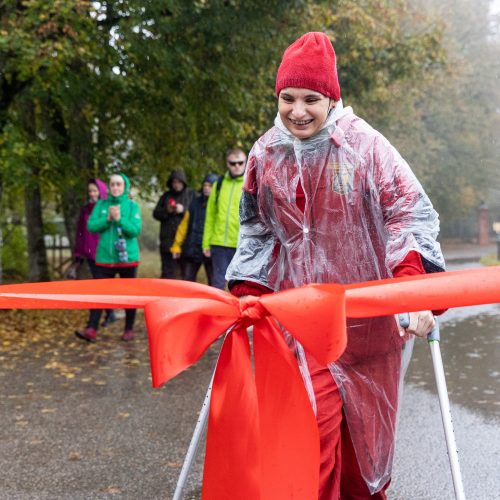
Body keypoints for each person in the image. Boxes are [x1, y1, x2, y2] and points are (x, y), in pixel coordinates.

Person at [226, 32, 445, 499]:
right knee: (311, 437)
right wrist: (249, 290)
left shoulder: (365, 147)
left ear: (332, 98)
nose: (298, 110)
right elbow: (257, 229)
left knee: (363, 455)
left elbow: (410, 212)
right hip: (302, 329)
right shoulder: (265, 154)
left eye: (311, 98)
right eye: (288, 98)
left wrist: (413, 288)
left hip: (369, 328)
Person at [75, 173, 142, 343]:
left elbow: (135, 230)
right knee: (99, 294)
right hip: (104, 258)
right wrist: (107, 219)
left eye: (119, 184)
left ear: (125, 186)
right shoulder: (101, 205)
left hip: (128, 259)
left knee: (129, 296)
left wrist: (119, 220)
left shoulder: (132, 206)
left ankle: (128, 329)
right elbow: (91, 226)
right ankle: (91, 328)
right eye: (112, 184)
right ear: (109, 187)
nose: (116, 187)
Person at [71, 179, 115, 329]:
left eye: (95, 191)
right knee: (98, 285)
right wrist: (78, 253)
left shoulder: (107, 208)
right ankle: (108, 313)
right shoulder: (85, 210)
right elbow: (81, 232)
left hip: (103, 252)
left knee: (100, 285)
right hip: (89, 252)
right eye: (90, 191)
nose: (92, 194)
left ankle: (101, 318)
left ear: (101, 191)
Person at [202, 149, 246, 289]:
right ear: (227, 164)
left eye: (240, 163)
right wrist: (206, 243)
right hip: (218, 243)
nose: (237, 166)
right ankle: (218, 312)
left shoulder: (250, 183)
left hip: (241, 244)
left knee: (239, 286)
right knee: (217, 284)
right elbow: (210, 215)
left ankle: (238, 312)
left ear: (245, 163)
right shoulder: (219, 184)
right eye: (233, 163)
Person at [170, 174, 218, 285]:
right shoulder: (194, 203)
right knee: (188, 283)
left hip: (211, 251)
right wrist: (176, 245)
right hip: (192, 249)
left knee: (215, 285)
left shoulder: (220, 204)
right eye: (205, 185)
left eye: (210, 186)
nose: (206, 188)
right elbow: (183, 226)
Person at [153, 170, 194, 279]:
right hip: (167, 242)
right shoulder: (165, 196)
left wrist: (183, 210)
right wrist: (167, 211)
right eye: (174, 182)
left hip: (185, 243)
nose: (176, 185)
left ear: (183, 182)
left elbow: (196, 215)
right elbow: (156, 213)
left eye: (179, 182)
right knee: (167, 273)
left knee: (185, 275)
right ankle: (165, 295)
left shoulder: (191, 195)